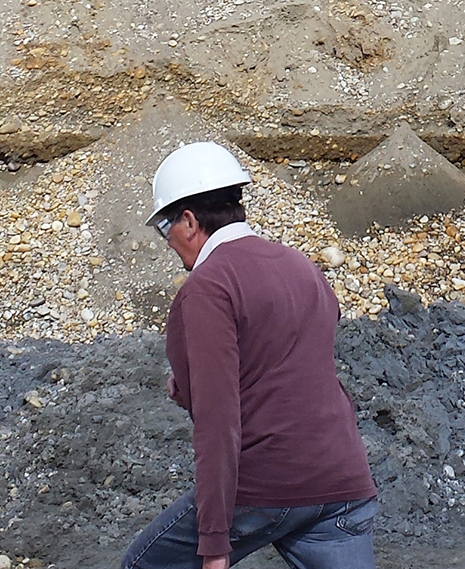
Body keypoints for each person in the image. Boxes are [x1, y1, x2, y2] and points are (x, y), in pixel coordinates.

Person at [121, 141, 377, 569]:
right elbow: (292, 358)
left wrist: (215, 544)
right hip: (344, 482)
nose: (168, 244)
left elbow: (218, 421)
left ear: (188, 220)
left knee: (143, 565)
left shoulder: (208, 286)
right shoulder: (301, 266)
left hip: (266, 485)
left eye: (164, 228)